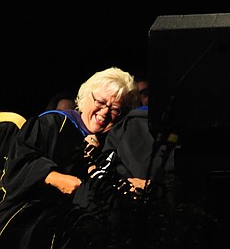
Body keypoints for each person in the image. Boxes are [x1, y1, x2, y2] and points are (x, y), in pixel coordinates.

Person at [0, 66, 139, 247]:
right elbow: (20, 160)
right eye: (101, 102)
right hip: (30, 224)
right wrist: (56, 178)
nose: (105, 112)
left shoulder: (114, 149)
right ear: (85, 96)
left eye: (115, 109)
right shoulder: (53, 123)